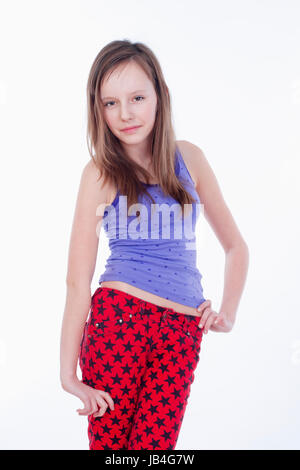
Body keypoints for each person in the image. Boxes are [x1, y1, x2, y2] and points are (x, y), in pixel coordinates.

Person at [59, 40, 249, 450]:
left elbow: (236, 247)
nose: (125, 113)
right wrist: (67, 374)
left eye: (137, 98)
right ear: (98, 109)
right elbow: (78, 282)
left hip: (182, 331)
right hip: (120, 324)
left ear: (159, 96)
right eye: (110, 103)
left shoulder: (190, 159)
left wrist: (228, 315)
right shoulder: (100, 173)